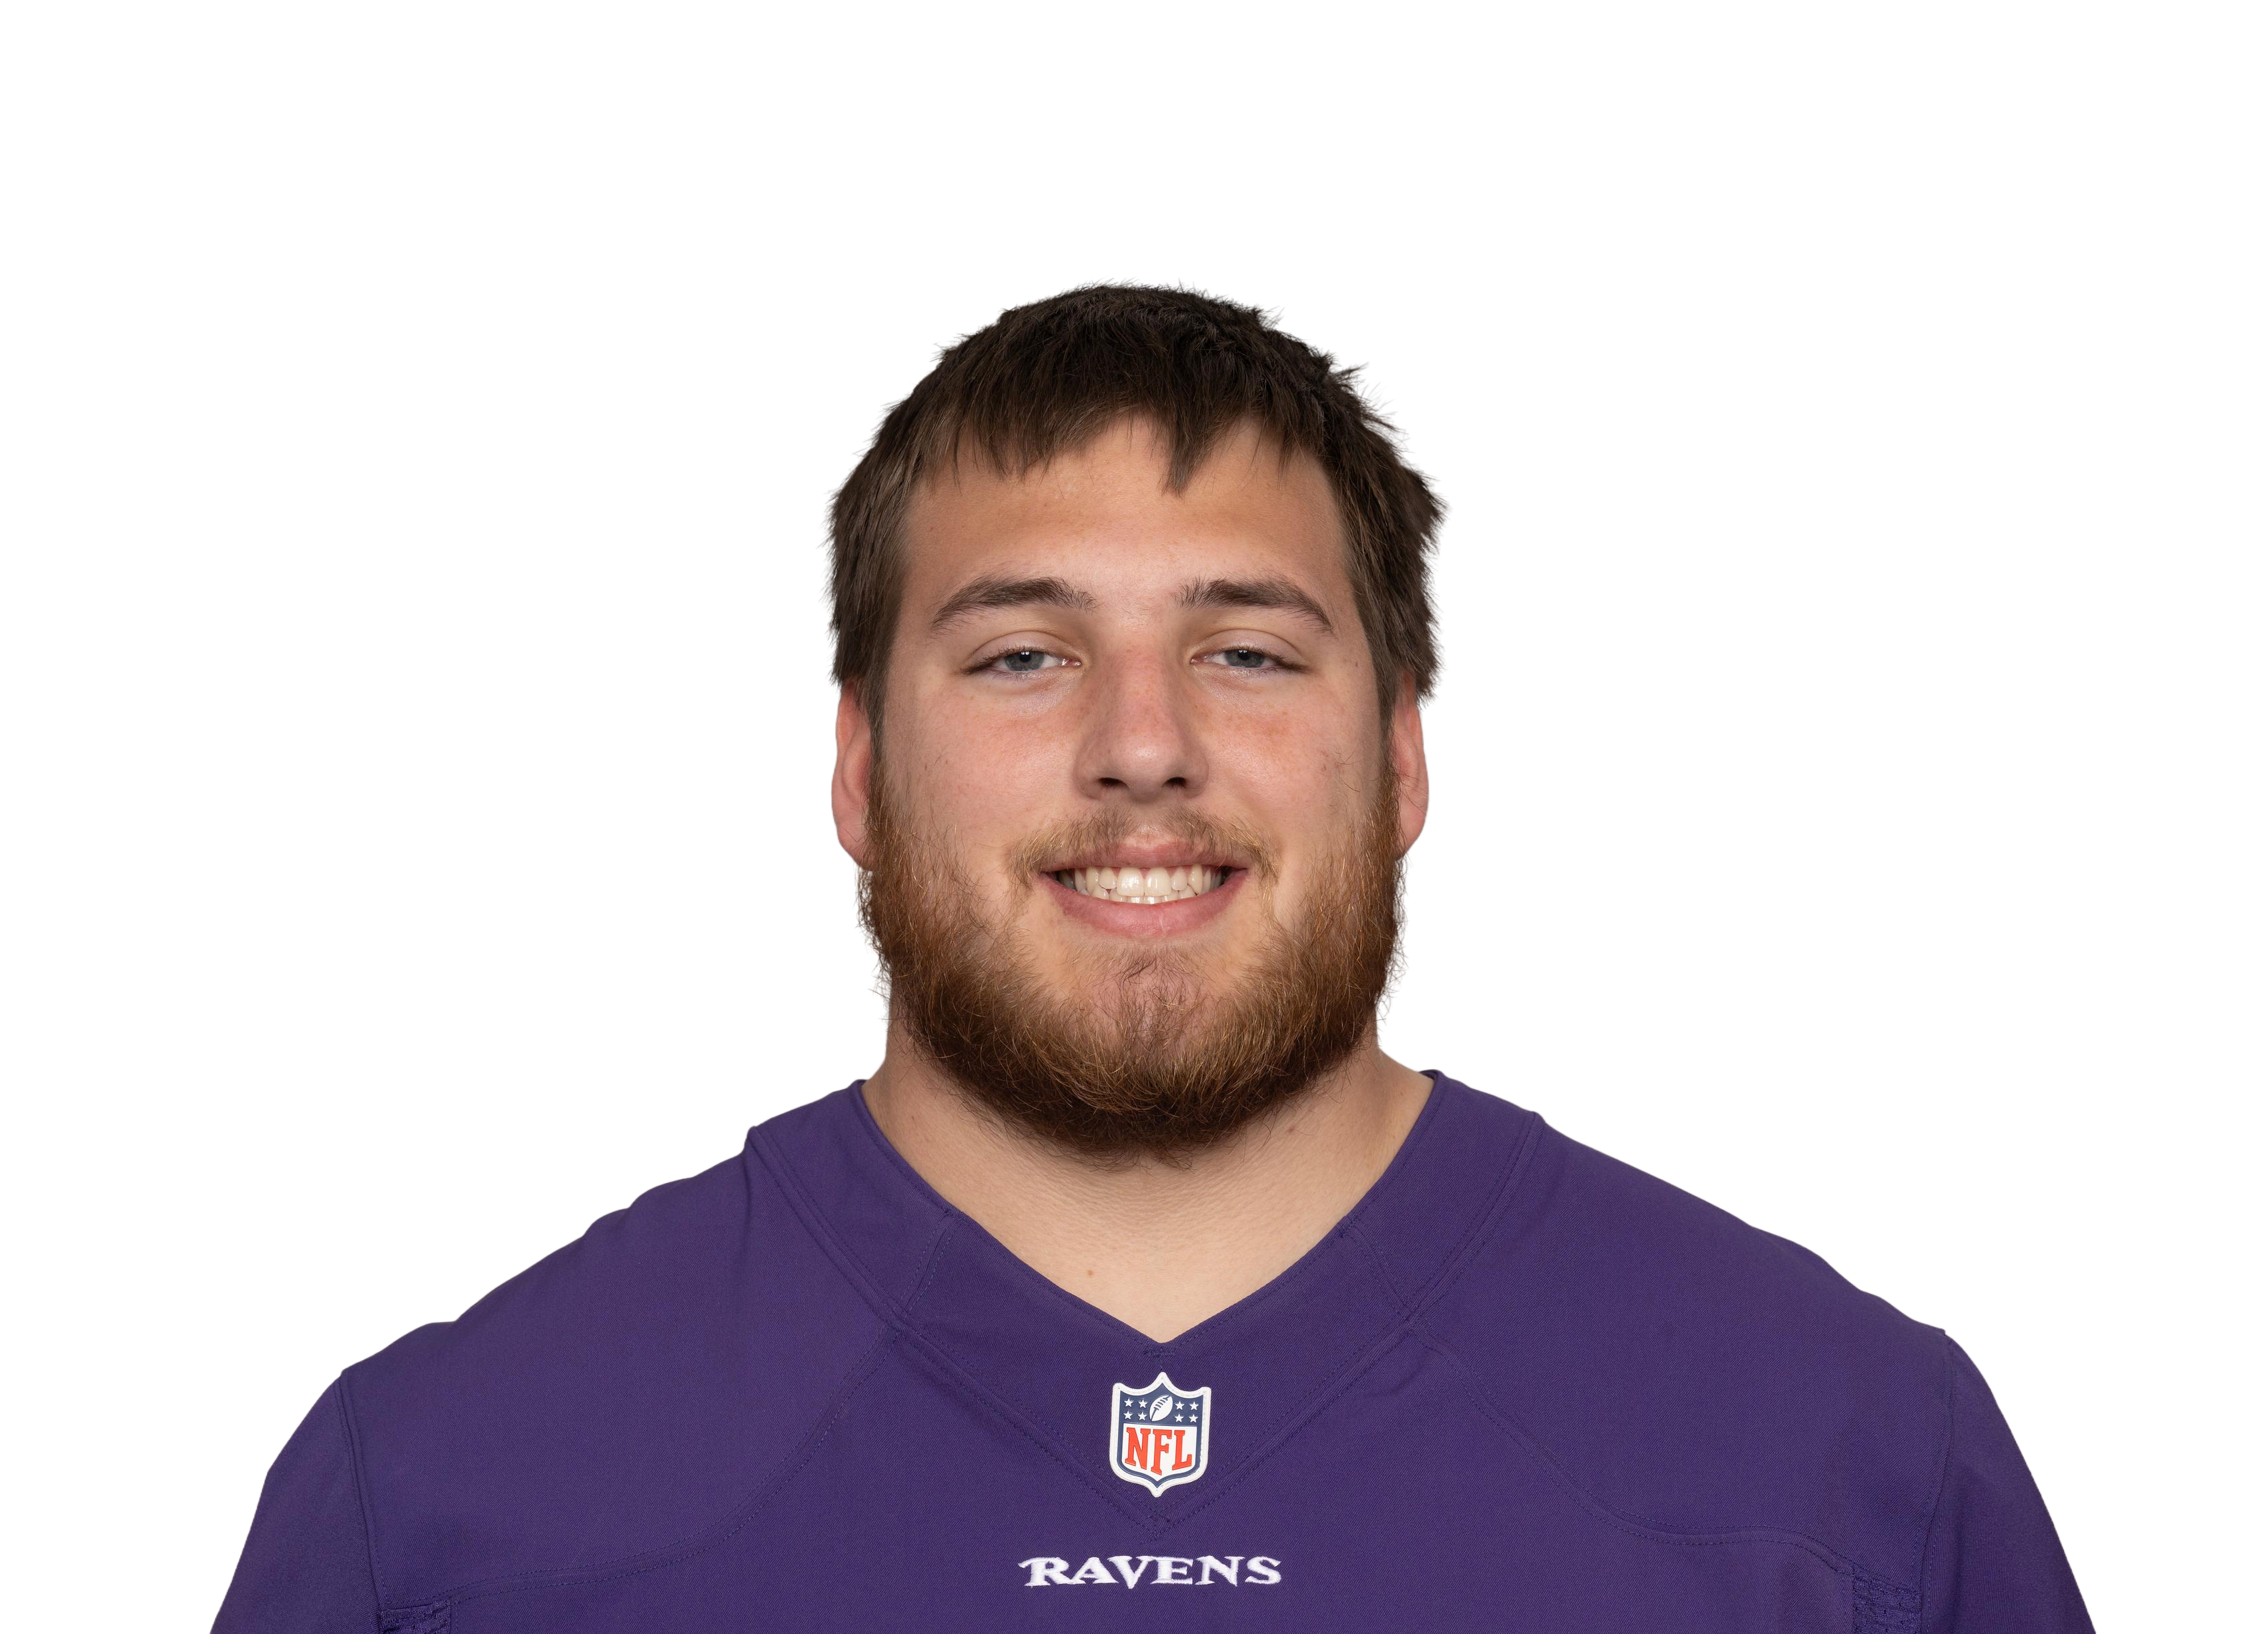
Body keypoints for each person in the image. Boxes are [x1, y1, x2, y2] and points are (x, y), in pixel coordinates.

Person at [213, 277, 2093, 1631]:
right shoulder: (437, 1493)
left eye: (1247, 650)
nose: (1142, 742)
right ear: (854, 766)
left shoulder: (1852, 1448)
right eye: (1024, 653)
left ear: (1405, 757)